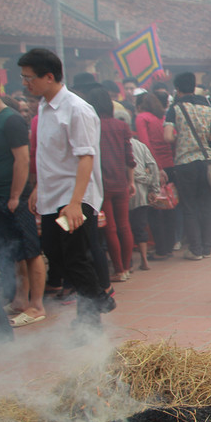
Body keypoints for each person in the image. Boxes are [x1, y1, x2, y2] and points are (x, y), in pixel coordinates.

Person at [18, 48, 116, 329]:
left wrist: (75, 203)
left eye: (29, 78)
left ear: (49, 77)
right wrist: (39, 187)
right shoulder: (44, 106)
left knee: (75, 255)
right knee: (55, 252)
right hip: (52, 195)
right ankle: (96, 300)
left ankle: (93, 312)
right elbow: (49, 155)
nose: (26, 84)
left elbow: (86, 157)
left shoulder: (77, 109)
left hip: (74, 196)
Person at [0, 70, 46, 328]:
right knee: (13, 252)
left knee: (30, 250)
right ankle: (20, 299)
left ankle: (37, 305)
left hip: (14, 197)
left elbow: (22, 159)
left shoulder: (10, 120)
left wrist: (14, 196)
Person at [163, 72, 211, 261]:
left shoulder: (175, 108)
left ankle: (195, 249)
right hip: (205, 161)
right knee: (205, 204)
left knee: (189, 206)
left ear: (177, 89)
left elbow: (167, 137)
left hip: (184, 162)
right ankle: (206, 247)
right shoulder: (207, 107)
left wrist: (182, 138)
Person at [85, 87, 136, 283]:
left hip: (101, 184)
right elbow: (129, 158)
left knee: (111, 228)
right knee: (124, 225)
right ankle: (128, 265)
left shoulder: (92, 126)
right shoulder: (122, 126)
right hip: (121, 181)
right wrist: (131, 181)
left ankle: (119, 269)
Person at [135, 90, 176, 259]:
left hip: (155, 167)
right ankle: (169, 246)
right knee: (169, 207)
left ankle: (160, 249)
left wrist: (156, 169)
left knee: (155, 208)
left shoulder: (142, 118)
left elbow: (145, 145)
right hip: (170, 164)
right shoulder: (161, 119)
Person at [129, 137, 160, 271]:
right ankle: (144, 260)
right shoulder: (140, 145)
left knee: (124, 228)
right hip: (141, 192)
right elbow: (152, 165)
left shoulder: (108, 142)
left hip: (121, 191)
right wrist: (154, 189)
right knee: (140, 226)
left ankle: (127, 263)